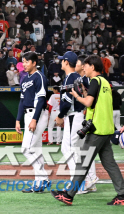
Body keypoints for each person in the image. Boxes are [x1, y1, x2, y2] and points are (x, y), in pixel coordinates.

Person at [52, 55, 124, 206]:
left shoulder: (95, 81)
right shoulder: (105, 82)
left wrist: (76, 95)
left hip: (96, 129)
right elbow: (95, 103)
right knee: (110, 163)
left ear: (92, 66)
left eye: (85, 65)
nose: (83, 67)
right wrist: (85, 92)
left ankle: (69, 195)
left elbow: (88, 102)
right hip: (106, 129)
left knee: (82, 163)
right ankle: (122, 194)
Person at [54, 52, 97, 191]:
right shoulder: (78, 76)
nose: (60, 62)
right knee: (79, 150)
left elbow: (67, 102)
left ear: (66, 62)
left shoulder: (70, 77)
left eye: (62, 60)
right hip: (79, 115)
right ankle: (89, 181)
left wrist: (60, 116)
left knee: (69, 149)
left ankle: (79, 183)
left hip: (73, 115)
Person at [15, 52, 50, 193]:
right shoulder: (24, 79)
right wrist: (18, 120)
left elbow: (41, 99)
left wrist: (34, 119)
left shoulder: (40, 77)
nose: (24, 64)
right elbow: (22, 101)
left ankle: (44, 178)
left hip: (38, 113)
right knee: (36, 150)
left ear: (34, 63)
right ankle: (39, 183)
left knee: (26, 149)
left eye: (26, 61)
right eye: (23, 62)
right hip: (27, 115)